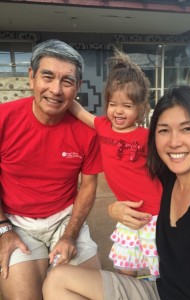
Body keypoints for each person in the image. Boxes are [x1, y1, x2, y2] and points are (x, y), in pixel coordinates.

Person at [42, 85, 190, 300]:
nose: (174, 142)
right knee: (58, 280)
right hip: (161, 291)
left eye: (187, 129)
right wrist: (114, 209)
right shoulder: (167, 176)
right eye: (164, 130)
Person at [0, 39, 102, 300]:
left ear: (77, 87)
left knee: (88, 294)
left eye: (67, 81)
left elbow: (88, 185)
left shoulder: (87, 132)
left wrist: (70, 235)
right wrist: (3, 229)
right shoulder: (4, 118)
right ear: (32, 77)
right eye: (47, 77)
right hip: (15, 220)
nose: (56, 90)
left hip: (65, 219)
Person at [69, 50, 162, 277]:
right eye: (113, 104)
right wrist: (63, 95)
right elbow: (80, 111)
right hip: (127, 213)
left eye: (127, 106)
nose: (118, 111)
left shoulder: (146, 136)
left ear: (140, 109)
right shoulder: (103, 126)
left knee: (160, 267)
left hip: (156, 213)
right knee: (124, 267)